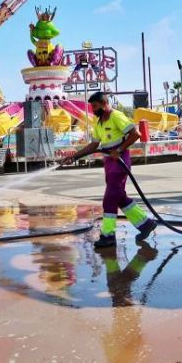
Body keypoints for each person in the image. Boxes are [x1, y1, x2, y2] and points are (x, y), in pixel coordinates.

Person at [61, 92, 156, 248]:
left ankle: (108, 235)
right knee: (119, 197)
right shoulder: (99, 123)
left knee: (109, 199)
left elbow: (136, 134)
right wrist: (74, 157)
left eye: (95, 106)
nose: (93, 109)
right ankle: (145, 224)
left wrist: (119, 149)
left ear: (104, 103)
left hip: (119, 162)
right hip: (109, 162)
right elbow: (94, 145)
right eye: (92, 106)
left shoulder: (116, 116)